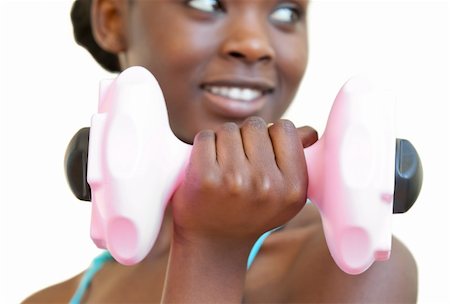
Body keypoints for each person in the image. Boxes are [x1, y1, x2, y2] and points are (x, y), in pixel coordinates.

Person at [23, 0, 418, 303]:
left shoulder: (353, 274)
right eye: (206, 3)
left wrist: (212, 251)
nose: (254, 45)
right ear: (112, 18)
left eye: (285, 11)